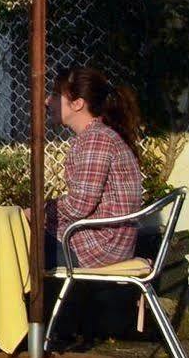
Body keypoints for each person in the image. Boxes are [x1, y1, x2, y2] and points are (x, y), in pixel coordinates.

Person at [46, 65, 145, 270]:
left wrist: (39, 212)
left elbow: (78, 205)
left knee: (11, 250)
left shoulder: (96, 138)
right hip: (102, 243)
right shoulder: (97, 135)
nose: (47, 101)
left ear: (78, 103)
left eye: (56, 95)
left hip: (97, 248)